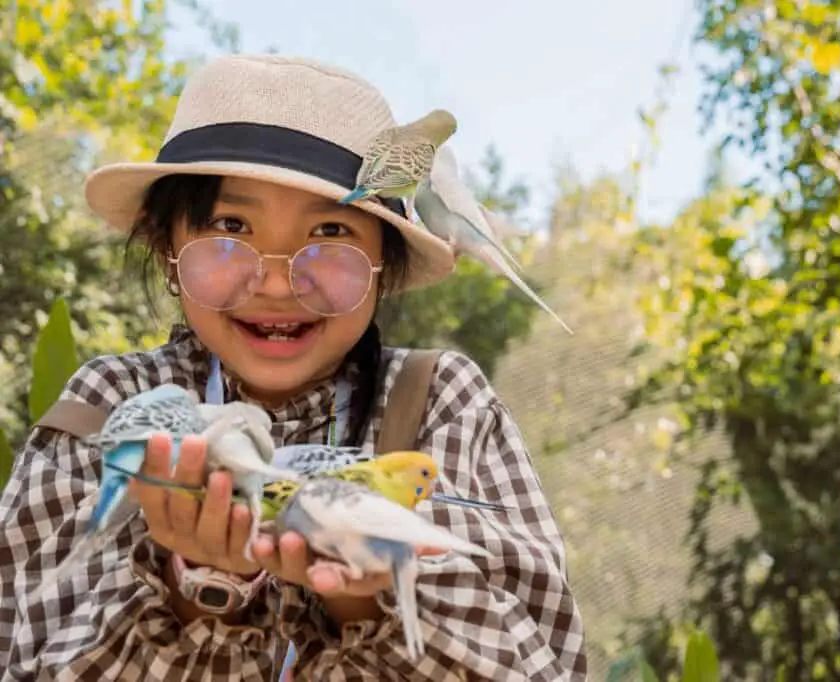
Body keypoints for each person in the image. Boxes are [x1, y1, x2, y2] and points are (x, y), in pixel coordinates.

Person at [0, 53, 587, 681]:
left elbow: (543, 664)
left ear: (382, 265)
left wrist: (364, 596)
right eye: (230, 225)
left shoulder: (443, 403)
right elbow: (25, 653)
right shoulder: (109, 406)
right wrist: (190, 594)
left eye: (331, 231)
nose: (278, 282)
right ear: (166, 247)